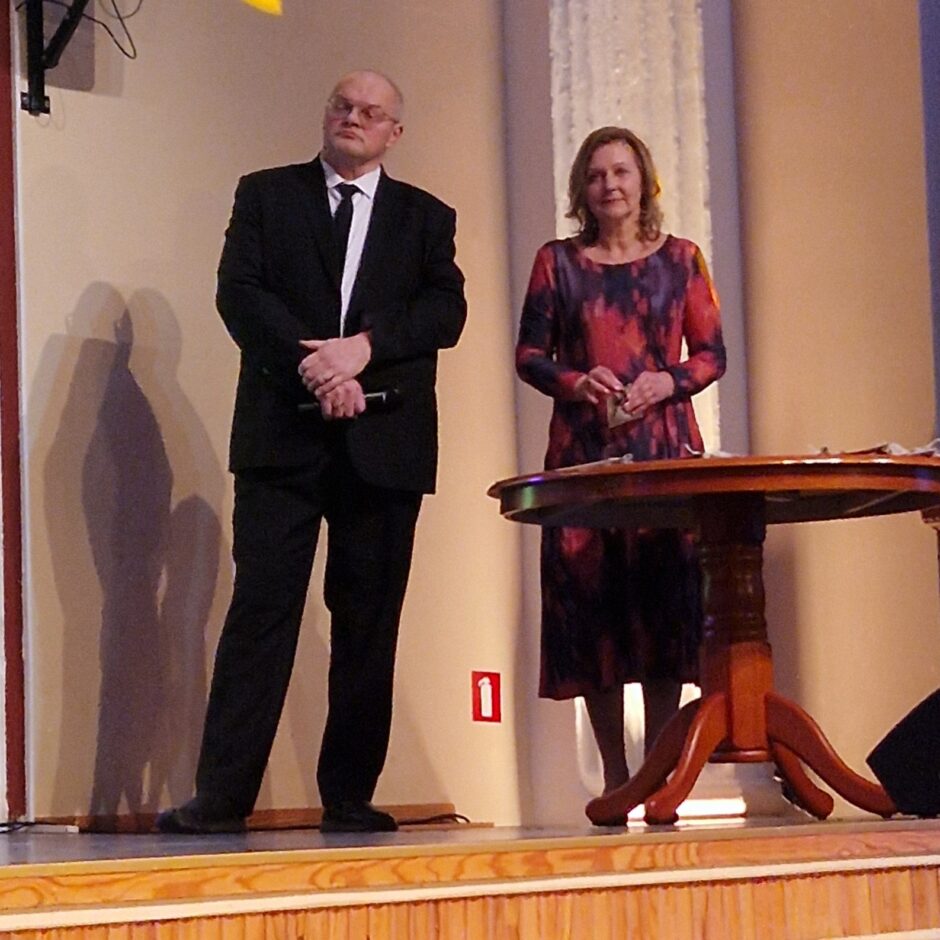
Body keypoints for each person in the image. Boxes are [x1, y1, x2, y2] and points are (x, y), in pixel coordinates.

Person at [157, 70, 467, 834]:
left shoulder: (427, 218)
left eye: (371, 111)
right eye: (342, 105)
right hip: (281, 441)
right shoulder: (266, 195)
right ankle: (221, 797)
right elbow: (239, 293)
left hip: (385, 446)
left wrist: (362, 351)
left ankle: (349, 796)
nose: (353, 117)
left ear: (395, 132)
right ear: (325, 114)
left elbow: (445, 311)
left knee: (368, 623)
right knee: (261, 615)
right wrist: (317, 367)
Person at [516, 126, 725, 796]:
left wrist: (668, 381)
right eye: (596, 174)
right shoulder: (556, 262)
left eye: (621, 172)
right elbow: (529, 355)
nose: (609, 184)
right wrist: (577, 381)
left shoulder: (683, 259)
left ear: (644, 182)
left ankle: (659, 771)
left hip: (662, 451)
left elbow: (712, 354)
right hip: (583, 457)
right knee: (590, 609)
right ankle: (614, 776)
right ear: (582, 188)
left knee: (663, 603)